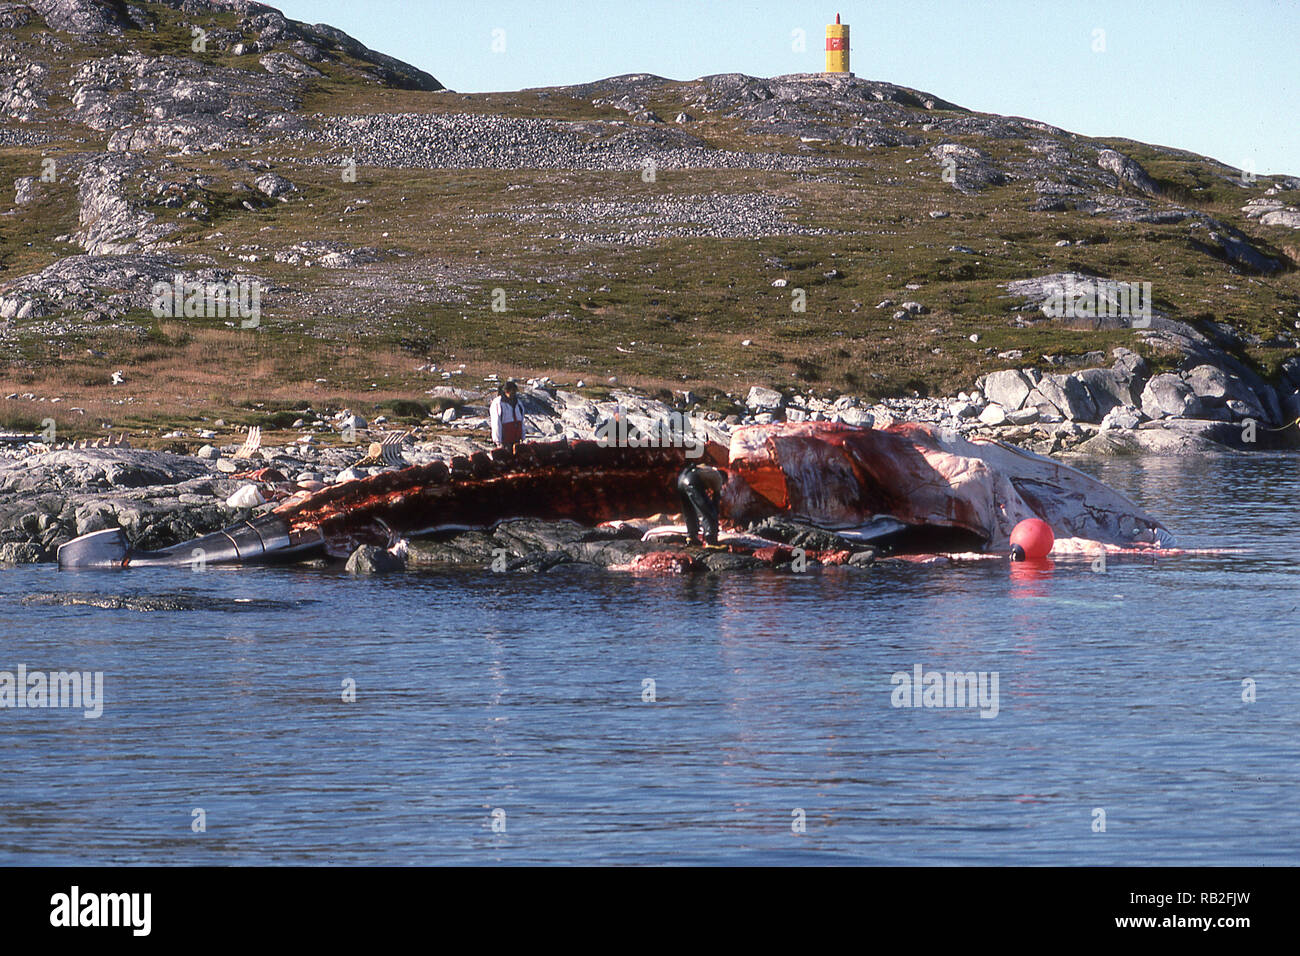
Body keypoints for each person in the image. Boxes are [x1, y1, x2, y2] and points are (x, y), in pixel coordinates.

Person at [676, 461, 726, 548]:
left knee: (689, 511)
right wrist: (715, 516)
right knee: (708, 512)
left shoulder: (707, 470)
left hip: (681, 480)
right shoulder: (719, 478)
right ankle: (711, 541)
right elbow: (715, 503)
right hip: (692, 481)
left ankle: (691, 537)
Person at [490, 380, 525, 447]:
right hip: (505, 441)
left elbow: (522, 420)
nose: (512, 394)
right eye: (510, 391)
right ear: (505, 391)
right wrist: (498, 441)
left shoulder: (518, 403)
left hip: (517, 439)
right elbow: (496, 423)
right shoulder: (498, 403)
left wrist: (523, 437)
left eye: (514, 391)